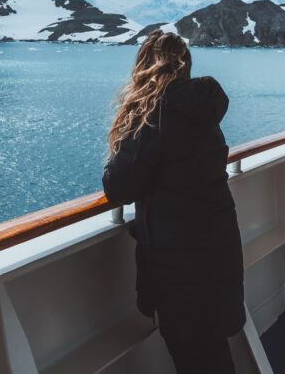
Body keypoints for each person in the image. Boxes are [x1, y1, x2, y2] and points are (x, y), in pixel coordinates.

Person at [102, 29, 244, 373]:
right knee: (212, 348)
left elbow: (118, 186)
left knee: (190, 352)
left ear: (145, 67)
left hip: (179, 265)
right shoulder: (202, 113)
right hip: (217, 249)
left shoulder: (153, 116)